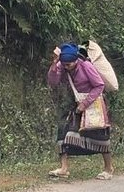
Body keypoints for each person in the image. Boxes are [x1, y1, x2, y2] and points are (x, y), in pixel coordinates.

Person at [47, 42, 114, 180]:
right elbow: (53, 82)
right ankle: (64, 168)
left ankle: (108, 168)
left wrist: (85, 104)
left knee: (99, 136)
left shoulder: (86, 66)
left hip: (93, 102)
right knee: (64, 131)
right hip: (76, 102)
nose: (66, 67)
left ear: (76, 60)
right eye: (64, 64)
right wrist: (54, 64)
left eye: (69, 65)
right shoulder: (63, 65)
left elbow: (99, 86)